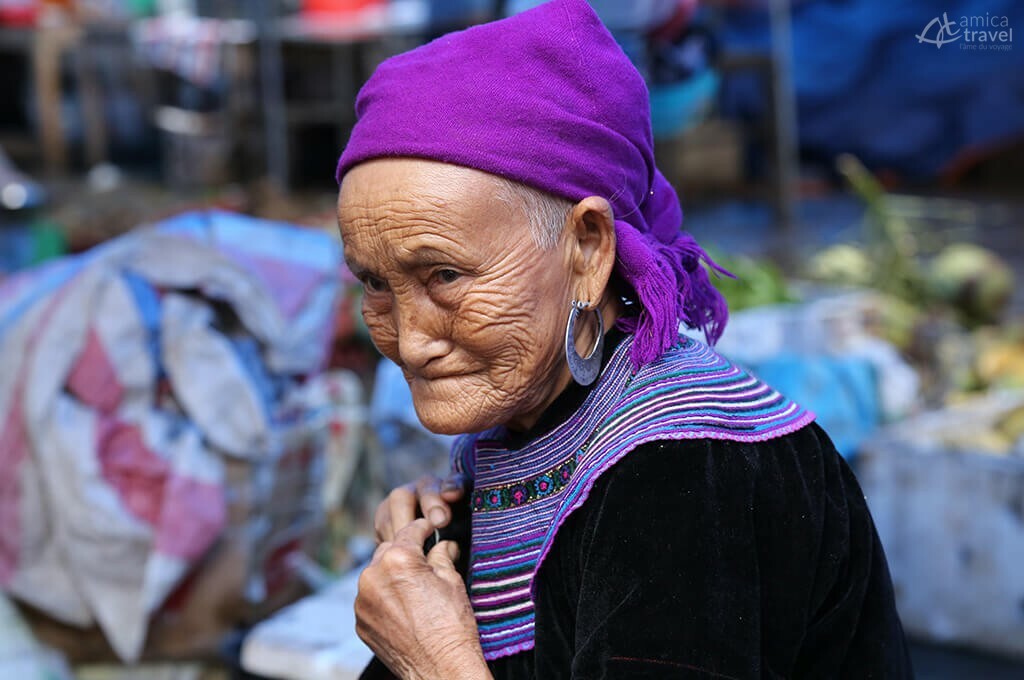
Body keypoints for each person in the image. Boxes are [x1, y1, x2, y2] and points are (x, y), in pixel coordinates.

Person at [335, 0, 913, 677]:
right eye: (375, 283)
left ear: (587, 248)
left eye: (444, 275)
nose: (410, 343)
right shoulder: (526, 430)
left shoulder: (685, 475)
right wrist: (432, 555)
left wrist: (431, 660)